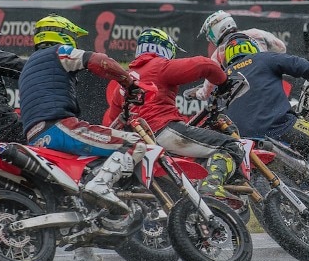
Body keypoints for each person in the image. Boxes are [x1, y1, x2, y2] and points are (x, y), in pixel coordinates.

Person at [18, 14, 144, 261]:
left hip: (35, 136)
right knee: (133, 144)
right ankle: (101, 185)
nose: (74, 41)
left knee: (71, 193)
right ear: (61, 34)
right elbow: (99, 61)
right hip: (60, 126)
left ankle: (86, 257)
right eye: (72, 37)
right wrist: (127, 81)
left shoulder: (30, 64)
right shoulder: (57, 52)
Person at [103, 28, 244, 199]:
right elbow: (204, 65)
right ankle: (211, 187)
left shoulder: (124, 81)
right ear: (164, 48)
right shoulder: (157, 66)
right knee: (231, 146)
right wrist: (223, 82)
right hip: (163, 130)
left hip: (140, 141)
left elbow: (111, 120)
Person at [216, 33, 309, 193]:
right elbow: (297, 64)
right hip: (280, 125)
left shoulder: (222, 79)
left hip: (242, 141)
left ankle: (308, 190)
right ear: (252, 47)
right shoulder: (263, 58)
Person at [198, 9, 288, 65]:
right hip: (267, 78)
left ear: (215, 30)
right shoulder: (255, 32)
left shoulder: (218, 53)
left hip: (242, 91)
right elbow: (281, 48)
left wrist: (198, 93)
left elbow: (211, 83)